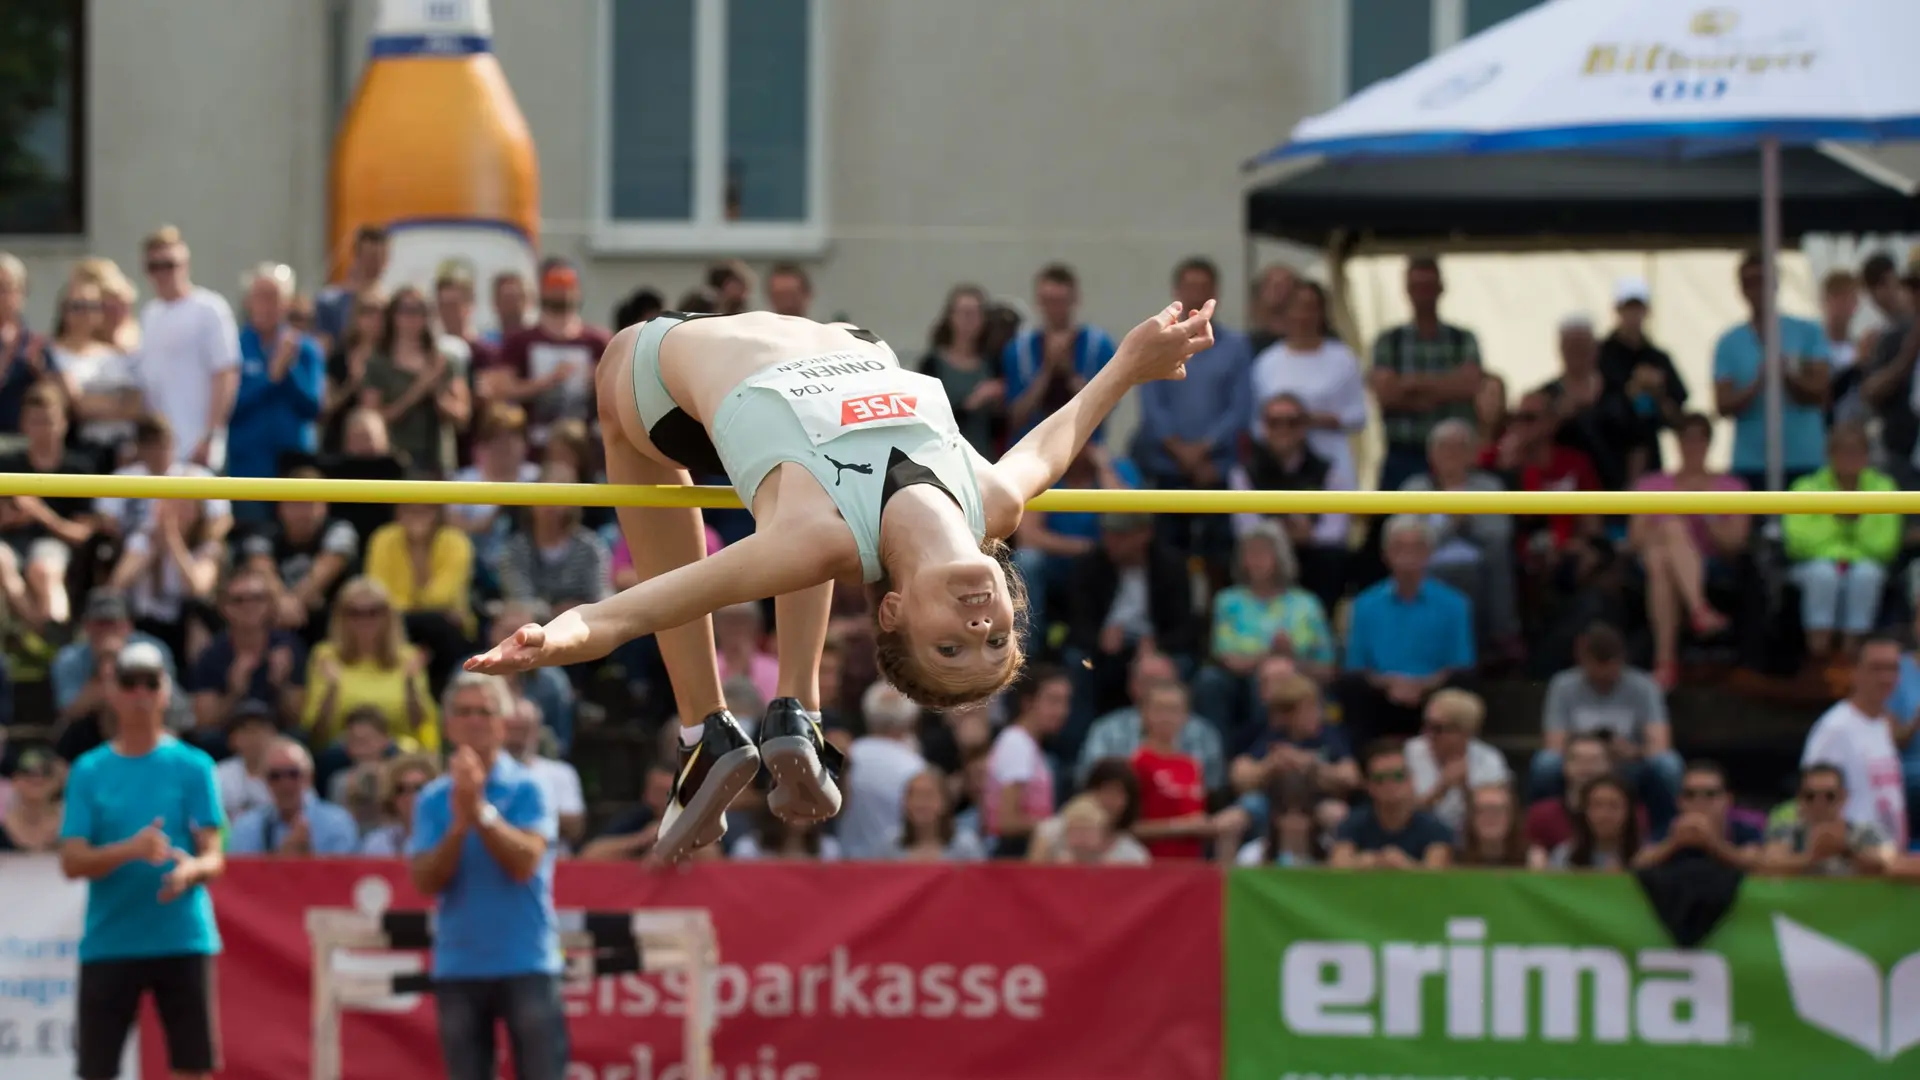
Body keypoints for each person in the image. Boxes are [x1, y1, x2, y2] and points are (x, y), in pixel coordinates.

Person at [466, 299, 1218, 863]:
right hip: (849, 344)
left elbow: (629, 611)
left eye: (952, 648)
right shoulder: (995, 500)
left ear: (892, 611)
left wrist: (555, 636)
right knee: (829, 535)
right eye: (996, 639)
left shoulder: (810, 536)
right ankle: (800, 710)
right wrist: (1132, 362)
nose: (979, 624)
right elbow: (1064, 430)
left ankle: (705, 726)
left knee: (624, 381)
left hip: (677, 364)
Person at [58, 641, 227, 1080]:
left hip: (183, 937)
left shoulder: (195, 766)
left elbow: (214, 855)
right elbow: (72, 861)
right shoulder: (89, 770)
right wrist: (130, 850)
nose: (140, 693)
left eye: (149, 682)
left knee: (193, 1067)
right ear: (112, 692)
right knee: (97, 1070)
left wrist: (190, 870)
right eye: (129, 682)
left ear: (166, 691)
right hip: (111, 939)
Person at [408, 672, 565, 1080]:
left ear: (503, 721)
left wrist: (478, 811)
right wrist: (460, 825)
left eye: (484, 711)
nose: (475, 721)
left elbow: (525, 862)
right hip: (460, 965)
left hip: (528, 960)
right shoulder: (430, 799)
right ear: (448, 724)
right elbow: (425, 881)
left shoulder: (531, 786)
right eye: (464, 712)